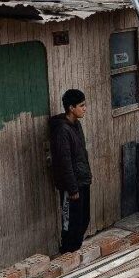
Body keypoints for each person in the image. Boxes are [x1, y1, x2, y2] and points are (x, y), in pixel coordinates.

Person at [49, 89, 91, 253]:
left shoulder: (76, 124)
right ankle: (67, 253)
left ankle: (75, 252)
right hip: (71, 185)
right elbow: (64, 162)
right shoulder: (62, 130)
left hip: (83, 180)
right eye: (81, 105)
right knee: (70, 224)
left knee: (83, 219)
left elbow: (81, 154)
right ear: (71, 108)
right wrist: (72, 188)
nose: (85, 108)